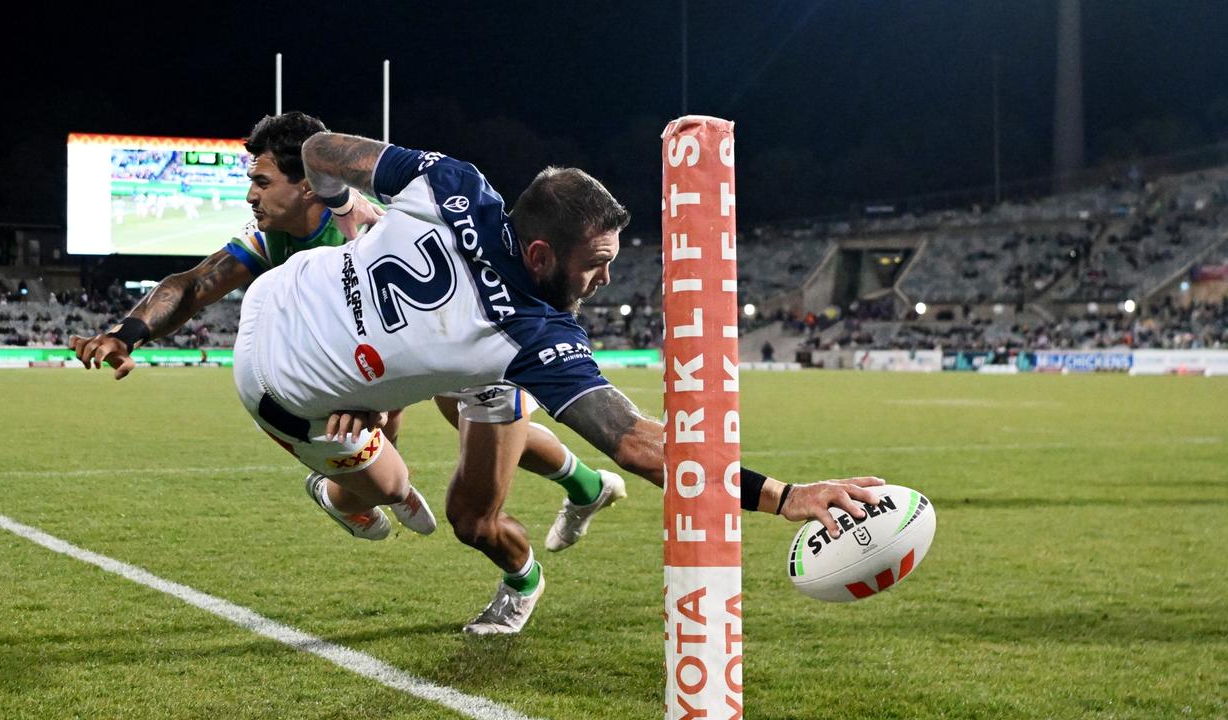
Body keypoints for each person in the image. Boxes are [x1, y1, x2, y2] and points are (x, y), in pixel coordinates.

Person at [219, 129, 884, 635]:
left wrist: (344, 208)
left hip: (281, 309)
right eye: (595, 264)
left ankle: (540, 545)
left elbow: (318, 148)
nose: (604, 282)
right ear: (540, 255)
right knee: (393, 487)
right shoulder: (538, 333)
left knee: (466, 517)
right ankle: (568, 487)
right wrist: (783, 495)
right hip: (292, 382)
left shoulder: (454, 182)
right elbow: (640, 445)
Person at [69, 111, 622, 551]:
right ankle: (584, 487)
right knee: (411, 458)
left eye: (261, 181)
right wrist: (128, 331)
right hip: (393, 358)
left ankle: (582, 489)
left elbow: (404, 346)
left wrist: (372, 404)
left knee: (478, 419)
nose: (249, 195)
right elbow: (194, 284)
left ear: (309, 186)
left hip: (462, 332)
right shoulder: (272, 239)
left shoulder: (362, 229)